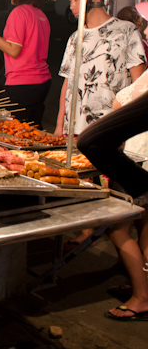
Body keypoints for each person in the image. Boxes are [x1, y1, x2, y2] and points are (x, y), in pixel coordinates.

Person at [77, 71, 148, 321]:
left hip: (141, 157)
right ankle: (143, 291)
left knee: (118, 228)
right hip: (137, 156)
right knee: (144, 226)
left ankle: (141, 298)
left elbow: (123, 100)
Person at [54, 0, 146, 137]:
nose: (71, 5)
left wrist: (130, 131)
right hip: (72, 131)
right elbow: (67, 84)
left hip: (109, 131)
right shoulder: (75, 38)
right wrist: (60, 126)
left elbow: (139, 85)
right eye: (70, 0)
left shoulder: (126, 31)